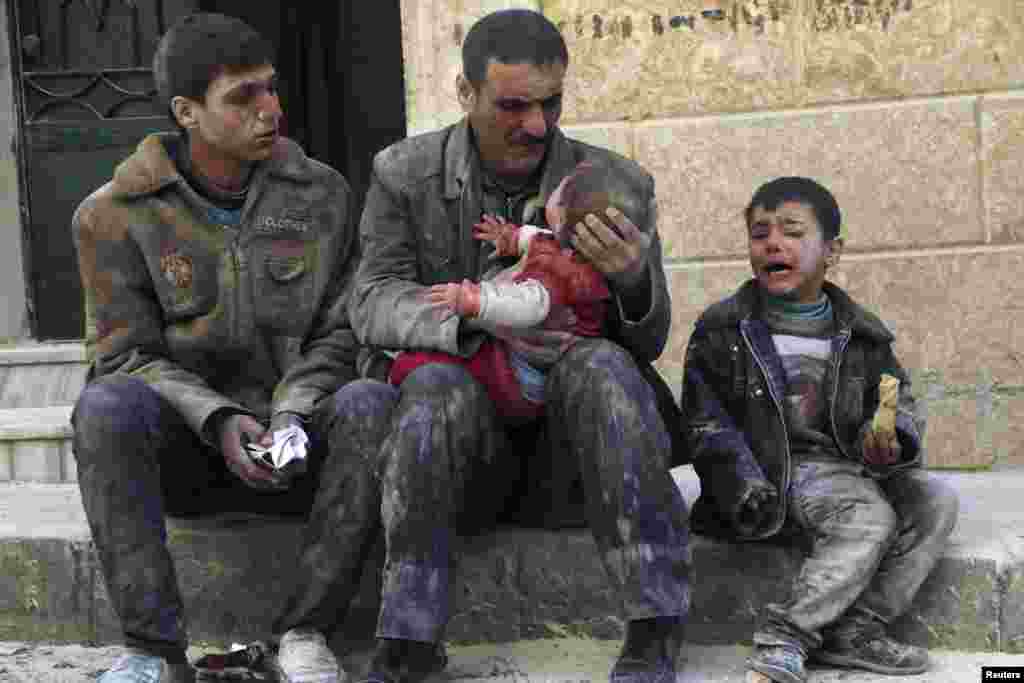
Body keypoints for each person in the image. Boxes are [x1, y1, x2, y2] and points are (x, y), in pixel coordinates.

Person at [343, 9, 691, 683]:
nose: (536, 125)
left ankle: (656, 627)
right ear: (465, 93)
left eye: (550, 103)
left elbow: (649, 338)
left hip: (576, 452)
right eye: (512, 105)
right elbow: (372, 302)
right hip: (462, 452)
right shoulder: (402, 175)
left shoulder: (614, 182)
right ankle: (409, 644)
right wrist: (485, 318)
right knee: (434, 384)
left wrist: (631, 279)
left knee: (603, 362)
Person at [71, 13, 371, 683]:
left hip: (301, 445)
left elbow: (341, 330)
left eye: (270, 89)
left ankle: (305, 632)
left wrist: (292, 409)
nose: (270, 110)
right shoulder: (112, 214)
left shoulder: (323, 195)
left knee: (371, 400)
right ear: (186, 112)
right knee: (105, 406)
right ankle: (154, 651)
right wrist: (219, 419)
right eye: (243, 97)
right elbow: (124, 355)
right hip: (191, 454)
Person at [680, 177, 959, 683]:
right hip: (774, 472)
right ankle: (786, 638)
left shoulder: (863, 334)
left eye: (791, 231)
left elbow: (900, 404)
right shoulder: (724, 330)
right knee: (866, 516)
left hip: (848, 469)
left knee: (935, 502)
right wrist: (742, 483)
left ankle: (857, 628)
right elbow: (704, 423)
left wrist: (893, 442)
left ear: (832, 251)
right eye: (759, 233)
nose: (772, 243)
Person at [388, 161, 615, 421]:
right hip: (517, 355)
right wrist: (507, 237)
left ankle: (398, 370)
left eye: (559, 192)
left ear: (562, 213)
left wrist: (475, 302)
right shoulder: (565, 246)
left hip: (520, 376)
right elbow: (532, 238)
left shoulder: (561, 273)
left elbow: (528, 305)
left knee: (443, 365)